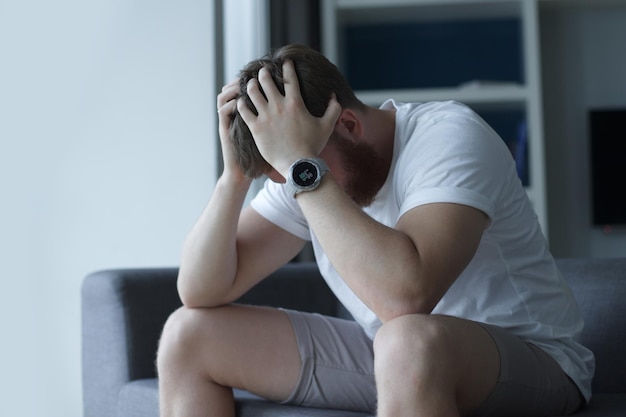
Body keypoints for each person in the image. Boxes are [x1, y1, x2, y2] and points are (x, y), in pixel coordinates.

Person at [157, 44, 594, 417]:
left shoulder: (448, 138)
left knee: (406, 339)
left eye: (295, 166)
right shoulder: (302, 168)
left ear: (347, 125)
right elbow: (200, 290)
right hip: (394, 356)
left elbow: (406, 296)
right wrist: (233, 179)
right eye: (284, 172)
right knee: (187, 335)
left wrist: (303, 167)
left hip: (530, 358)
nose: (292, 181)